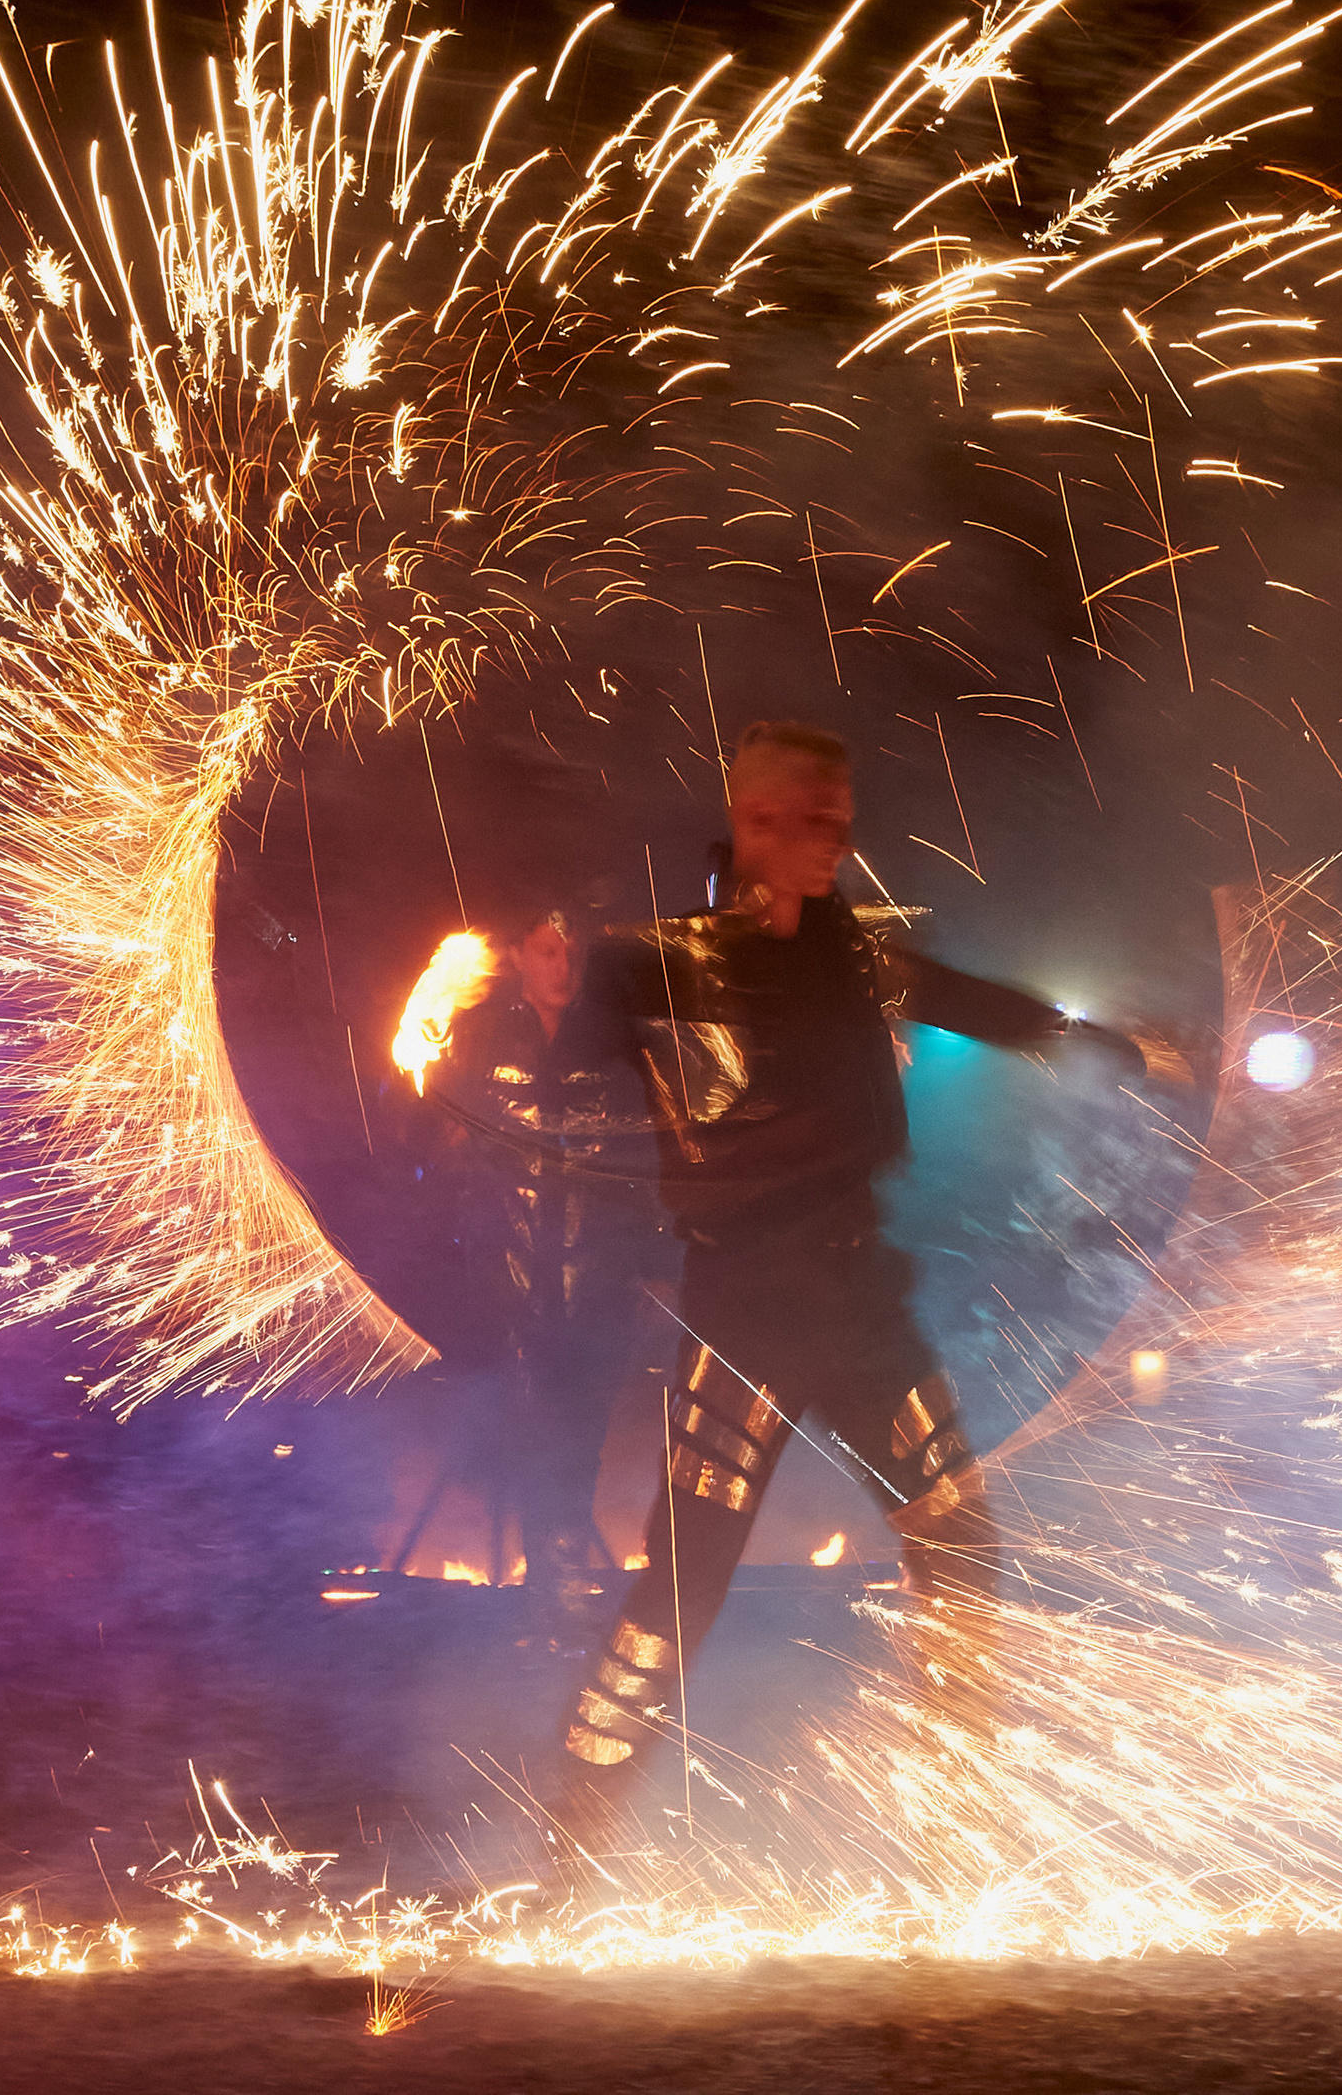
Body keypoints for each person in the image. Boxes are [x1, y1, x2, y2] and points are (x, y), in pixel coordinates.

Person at [558, 719, 1143, 1800]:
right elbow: (559, 1062)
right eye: (817, 825)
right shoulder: (656, 964)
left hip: (861, 1298)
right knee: (683, 1585)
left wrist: (1117, 1041)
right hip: (743, 1307)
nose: (836, 844)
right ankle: (578, 1811)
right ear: (756, 823)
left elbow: (975, 1003)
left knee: (959, 1542)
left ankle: (962, 1805)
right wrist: (540, 995)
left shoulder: (856, 955)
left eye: (843, 824)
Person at [421, 901, 664, 1644]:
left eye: (571, 953)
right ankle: (548, 1591)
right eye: (546, 951)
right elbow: (451, 1146)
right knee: (532, 1430)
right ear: (520, 957)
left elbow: (639, 1153)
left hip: (598, 1274)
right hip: (514, 1277)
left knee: (582, 1432)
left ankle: (561, 1586)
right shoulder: (483, 1033)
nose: (562, 967)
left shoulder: (613, 1039)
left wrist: (639, 1253)